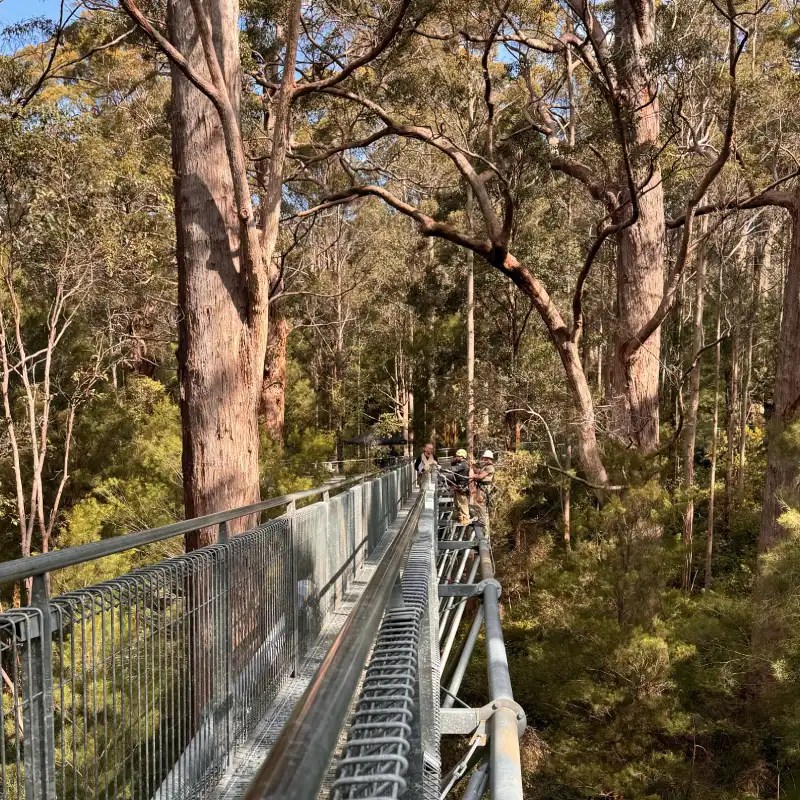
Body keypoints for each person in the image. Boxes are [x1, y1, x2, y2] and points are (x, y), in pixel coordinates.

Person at [470, 450, 496, 526]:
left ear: (488, 458)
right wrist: (473, 466)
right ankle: (479, 519)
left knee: (481, 504)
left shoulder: (490, 467)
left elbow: (480, 476)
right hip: (481, 486)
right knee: (477, 503)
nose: (483, 460)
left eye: (484, 458)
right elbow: (478, 471)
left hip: (484, 487)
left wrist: (472, 476)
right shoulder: (485, 466)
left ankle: (482, 521)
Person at [447, 448, 471, 524]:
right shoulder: (459, 463)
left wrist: (443, 469)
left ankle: (466, 518)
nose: (456, 457)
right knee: (457, 503)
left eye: (457, 456)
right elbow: (454, 466)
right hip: (458, 486)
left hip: (462, 486)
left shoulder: (463, 464)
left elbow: (454, 469)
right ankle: (461, 517)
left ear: (461, 456)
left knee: (462, 503)